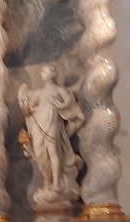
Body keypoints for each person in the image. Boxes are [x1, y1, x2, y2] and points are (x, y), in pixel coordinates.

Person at [18, 65, 84, 204]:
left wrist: (60, 105)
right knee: (40, 154)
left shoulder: (60, 90)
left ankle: (56, 184)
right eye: (42, 71)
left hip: (53, 124)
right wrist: (25, 105)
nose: (41, 73)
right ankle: (48, 181)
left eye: (44, 70)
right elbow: (29, 108)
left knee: (53, 152)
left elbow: (69, 102)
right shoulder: (39, 92)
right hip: (39, 125)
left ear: (53, 73)